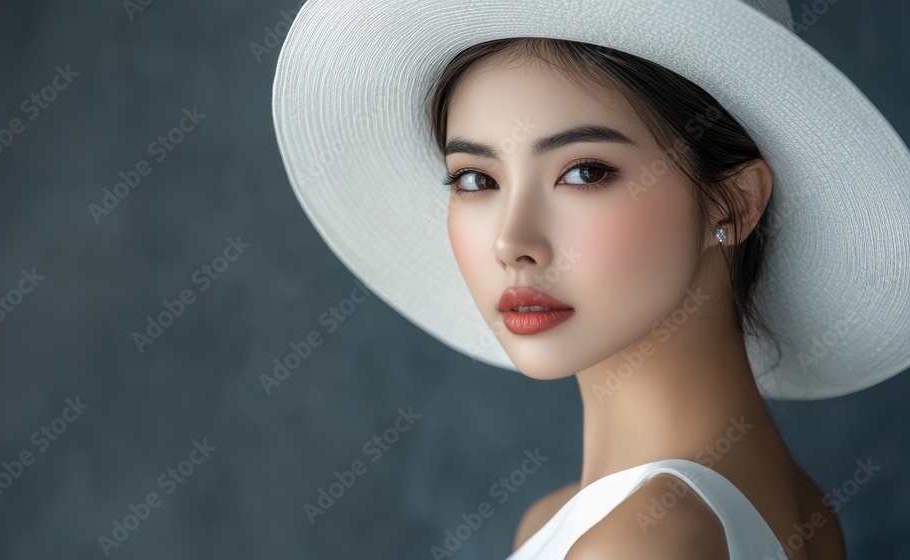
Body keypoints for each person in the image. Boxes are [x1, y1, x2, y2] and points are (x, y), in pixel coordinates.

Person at [271, 1, 910, 558]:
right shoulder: (799, 509)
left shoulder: (636, 542)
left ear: (733, 202)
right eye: (476, 179)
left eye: (585, 173)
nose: (512, 241)